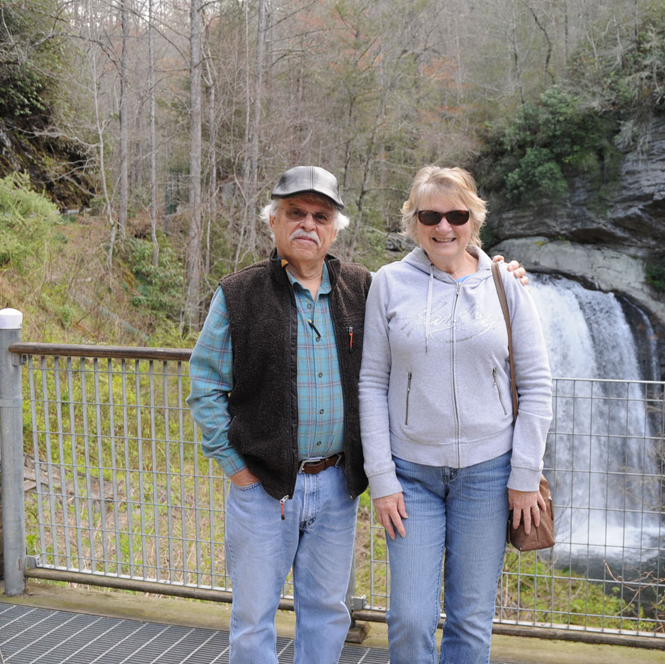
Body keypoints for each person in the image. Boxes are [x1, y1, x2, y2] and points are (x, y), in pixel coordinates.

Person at [187, 165, 528, 664]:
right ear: (273, 223)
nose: (308, 225)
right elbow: (204, 386)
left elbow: (392, 355)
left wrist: (498, 269)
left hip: (335, 486)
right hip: (263, 486)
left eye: (320, 216)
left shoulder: (361, 288)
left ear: (334, 228)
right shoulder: (237, 295)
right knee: (253, 617)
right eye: (295, 213)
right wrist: (237, 470)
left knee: (327, 611)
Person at [359, 165, 554, 663]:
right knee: (410, 619)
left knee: (470, 621)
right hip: (410, 477)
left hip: (490, 475)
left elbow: (536, 384)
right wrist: (381, 477)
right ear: (413, 222)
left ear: (474, 220)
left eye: (456, 215)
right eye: (430, 215)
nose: (444, 227)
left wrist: (525, 473)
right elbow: (371, 382)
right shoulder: (389, 283)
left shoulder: (506, 285)